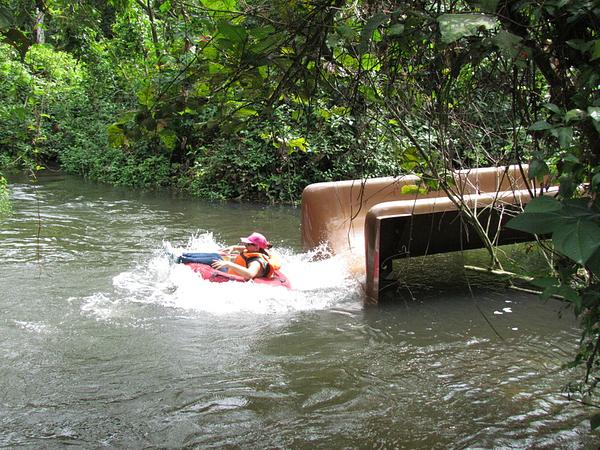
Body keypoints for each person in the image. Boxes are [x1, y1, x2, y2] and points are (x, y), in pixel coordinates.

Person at [174, 232, 281, 280]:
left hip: (235, 275)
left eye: (248, 244)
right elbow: (243, 249)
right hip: (234, 271)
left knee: (214, 259)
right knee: (216, 254)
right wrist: (234, 247)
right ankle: (184, 254)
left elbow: (250, 274)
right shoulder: (259, 251)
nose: (245, 245)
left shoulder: (256, 262)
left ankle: (179, 259)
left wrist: (229, 264)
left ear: (256, 247)